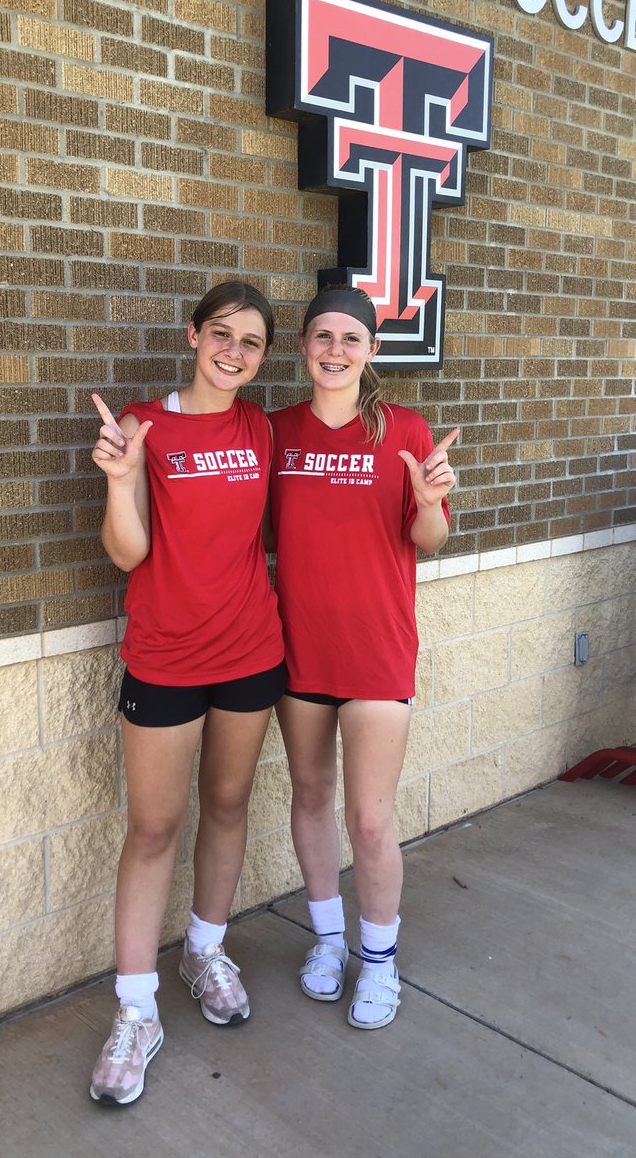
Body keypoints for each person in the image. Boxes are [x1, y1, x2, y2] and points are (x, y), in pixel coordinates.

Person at [88, 281, 286, 1105]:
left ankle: (205, 950)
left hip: (250, 648)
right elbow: (127, 554)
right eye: (221, 334)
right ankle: (137, 1010)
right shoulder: (143, 424)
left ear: (263, 357)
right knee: (154, 826)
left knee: (230, 802)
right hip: (165, 656)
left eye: (251, 342)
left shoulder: (262, 429)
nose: (233, 351)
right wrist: (119, 479)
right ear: (193, 334)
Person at [269, 285, 456, 1030]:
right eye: (322, 337)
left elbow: (428, 540)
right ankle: (328, 940)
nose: (335, 350)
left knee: (372, 820)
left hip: (377, 648)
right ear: (305, 348)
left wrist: (433, 500)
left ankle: (380, 962)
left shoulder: (405, 428)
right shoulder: (276, 431)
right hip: (297, 649)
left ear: (372, 350)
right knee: (311, 795)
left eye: (351, 338)